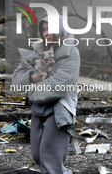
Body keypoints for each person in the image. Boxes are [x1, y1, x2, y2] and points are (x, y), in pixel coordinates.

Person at [12, 15, 80, 174]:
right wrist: (32, 77)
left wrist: (32, 90)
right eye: (43, 29)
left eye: (50, 29)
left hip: (59, 110)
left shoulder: (71, 52)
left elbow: (60, 85)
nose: (46, 33)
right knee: (38, 156)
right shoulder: (37, 51)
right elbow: (16, 79)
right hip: (38, 109)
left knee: (50, 161)